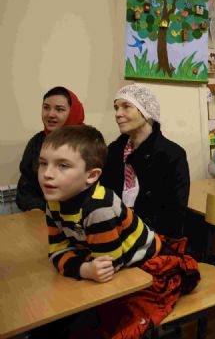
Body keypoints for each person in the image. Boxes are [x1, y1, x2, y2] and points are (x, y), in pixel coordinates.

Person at [39, 125, 198, 337]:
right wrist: (83, 268)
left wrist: (80, 267)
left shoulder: (99, 208)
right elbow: (57, 250)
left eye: (63, 166)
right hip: (101, 255)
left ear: (92, 176)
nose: (47, 174)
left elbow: (107, 267)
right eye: (43, 163)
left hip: (145, 261)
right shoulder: (54, 201)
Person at [101, 84, 190, 239]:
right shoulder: (114, 151)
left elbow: (174, 215)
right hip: (113, 236)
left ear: (146, 111)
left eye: (126, 106)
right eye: (116, 108)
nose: (118, 114)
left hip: (153, 240)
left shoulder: (172, 155)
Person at [16, 86, 85, 211]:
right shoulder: (37, 142)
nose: (50, 114)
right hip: (42, 214)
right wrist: (35, 209)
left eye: (59, 109)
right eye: (46, 108)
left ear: (73, 112)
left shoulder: (88, 141)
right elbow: (27, 185)